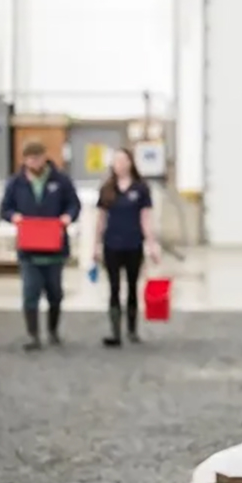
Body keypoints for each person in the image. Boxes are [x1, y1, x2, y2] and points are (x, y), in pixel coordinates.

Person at [0, 141, 81, 351]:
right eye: (30, 158)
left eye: (38, 157)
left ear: (45, 157)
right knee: (30, 292)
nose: (34, 162)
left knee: (55, 293)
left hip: (55, 248)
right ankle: (33, 335)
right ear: (24, 160)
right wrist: (13, 217)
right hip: (29, 248)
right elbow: (5, 208)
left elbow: (74, 204)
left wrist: (67, 217)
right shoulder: (16, 183)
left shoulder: (61, 181)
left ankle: (53, 331)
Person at [93, 147, 161, 347]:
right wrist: (95, 245)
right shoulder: (107, 188)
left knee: (132, 286)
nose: (120, 165)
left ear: (130, 163)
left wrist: (151, 243)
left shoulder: (141, 189)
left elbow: (146, 218)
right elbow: (101, 219)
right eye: (116, 161)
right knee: (114, 287)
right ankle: (115, 331)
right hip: (111, 244)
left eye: (123, 161)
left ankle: (132, 329)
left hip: (133, 244)